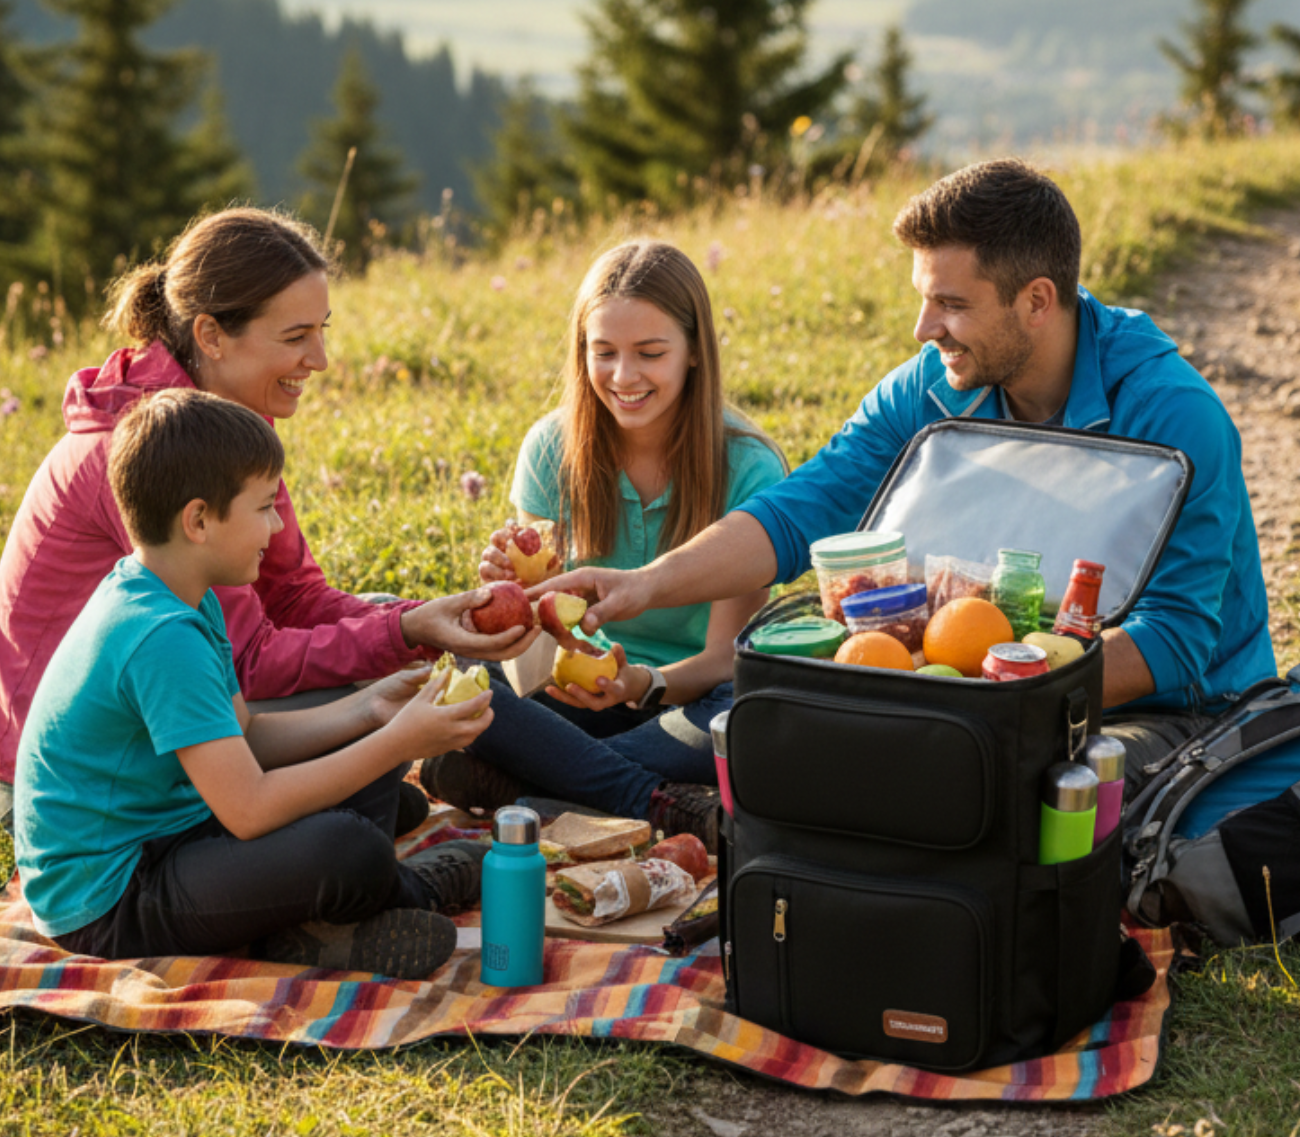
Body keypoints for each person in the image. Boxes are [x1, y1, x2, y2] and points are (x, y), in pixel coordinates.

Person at [537, 160, 1283, 836]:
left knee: (992, 798)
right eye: (924, 299)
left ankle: (578, 788)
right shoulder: (931, 386)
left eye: (950, 304)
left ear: (1036, 301)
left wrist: (978, 689)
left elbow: (1177, 639)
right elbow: (799, 512)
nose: (925, 329)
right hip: (960, 689)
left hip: (1158, 714)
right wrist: (644, 584)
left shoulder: (1172, 415)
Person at [0, 208, 535, 833]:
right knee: (368, 684)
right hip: (83, 777)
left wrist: (420, 621)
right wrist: (404, 633)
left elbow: (294, 595)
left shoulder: (223, 427)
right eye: (295, 336)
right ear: (211, 335)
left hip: (173, 713)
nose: (320, 359)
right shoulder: (150, 453)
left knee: (395, 629)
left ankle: (543, 780)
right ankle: (602, 787)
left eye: (321, 331)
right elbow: (247, 661)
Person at [14, 389, 493, 979]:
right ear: (198, 520)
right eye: (265, 507)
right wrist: (400, 742)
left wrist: (372, 711)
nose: (278, 523)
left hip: (175, 829)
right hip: (110, 902)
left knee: (361, 776)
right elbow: (248, 810)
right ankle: (407, 892)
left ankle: (314, 919)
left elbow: (247, 734)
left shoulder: (183, 593)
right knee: (351, 847)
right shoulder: (161, 637)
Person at [420, 240, 786, 831]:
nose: (623, 376)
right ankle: (642, 797)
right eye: (604, 352)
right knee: (448, 659)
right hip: (578, 696)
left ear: (695, 350)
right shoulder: (551, 448)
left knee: (743, 718)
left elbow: (725, 658)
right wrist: (505, 600)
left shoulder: (749, 467)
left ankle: (538, 781)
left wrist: (641, 684)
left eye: (650, 353)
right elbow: (534, 646)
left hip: (687, 700)